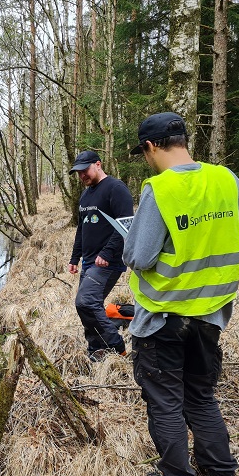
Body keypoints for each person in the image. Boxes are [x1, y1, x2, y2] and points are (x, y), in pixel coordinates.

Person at [123, 112, 239, 476]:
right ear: (183, 139)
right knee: (201, 395)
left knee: (165, 401)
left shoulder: (159, 190)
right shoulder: (226, 179)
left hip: (163, 318)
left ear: (150, 147)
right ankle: (222, 475)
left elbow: (139, 256)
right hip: (211, 315)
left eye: (143, 152)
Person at [68, 150, 134, 362]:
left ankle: (116, 344)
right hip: (88, 261)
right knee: (88, 307)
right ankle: (96, 349)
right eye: (78, 172)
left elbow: (126, 224)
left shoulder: (115, 188)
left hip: (108, 261)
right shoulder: (86, 195)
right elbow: (82, 229)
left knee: (86, 302)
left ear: (98, 164)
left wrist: (107, 252)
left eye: (85, 170)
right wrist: (74, 258)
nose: (82, 176)